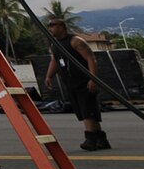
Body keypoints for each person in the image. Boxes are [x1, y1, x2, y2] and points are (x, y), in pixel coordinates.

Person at [40, 17, 108, 150]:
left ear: (62, 26)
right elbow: (54, 61)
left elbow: (91, 59)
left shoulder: (76, 41)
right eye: (49, 26)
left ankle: (90, 139)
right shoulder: (55, 45)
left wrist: (93, 78)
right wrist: (49, 76)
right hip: (70, 82)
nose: (50, 28)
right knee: (83, 111)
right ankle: (101, 139)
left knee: (87, 110)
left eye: (53, 25)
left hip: (84, 81)